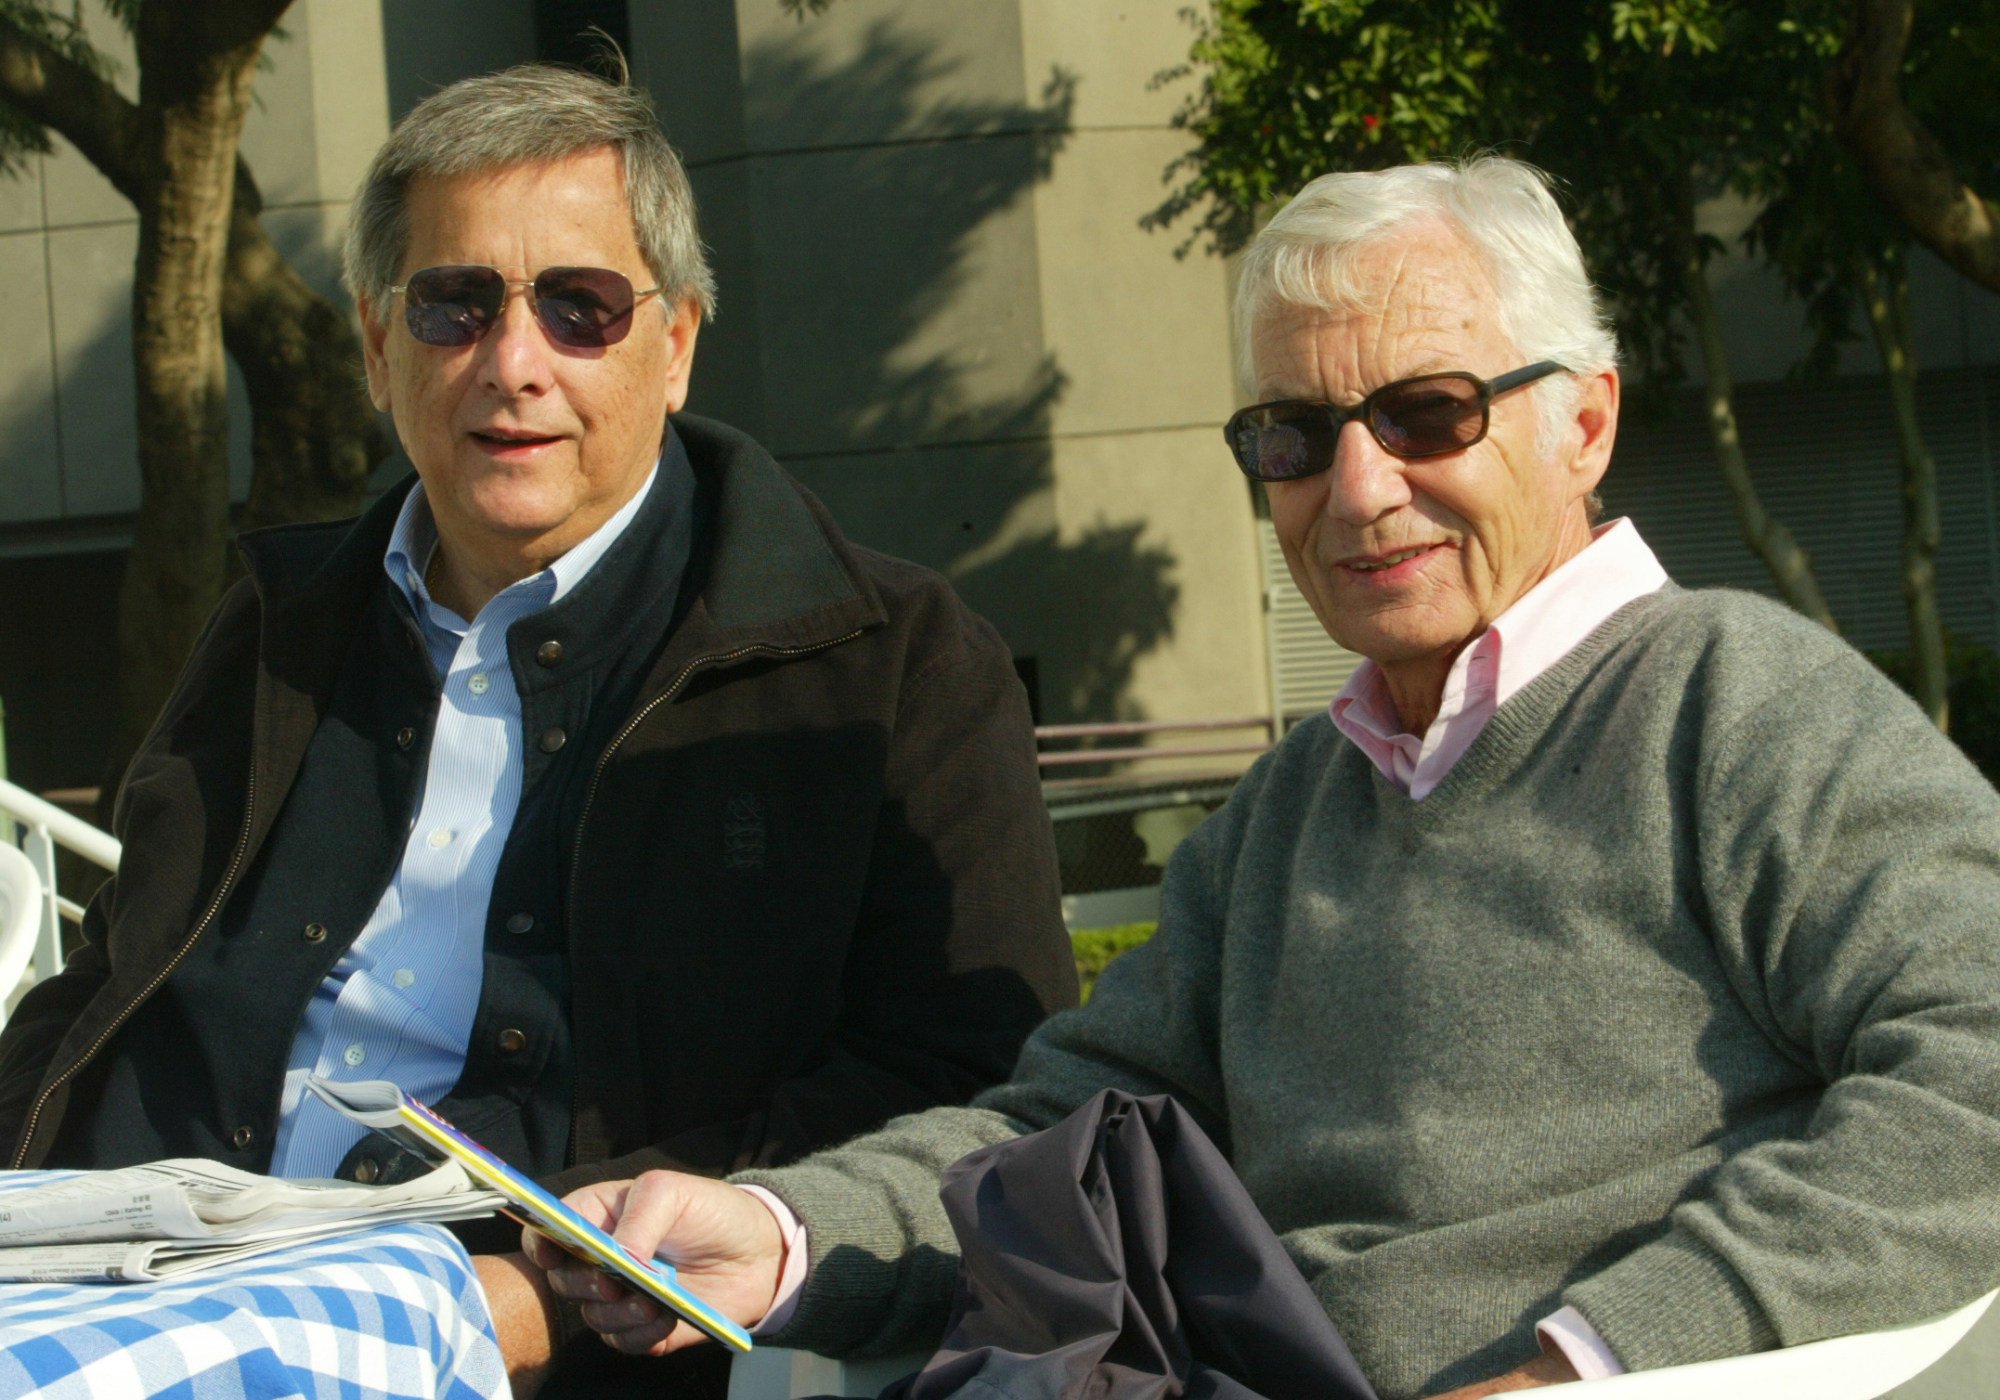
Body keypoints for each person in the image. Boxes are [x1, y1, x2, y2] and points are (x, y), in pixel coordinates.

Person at [529, 157, 2000, 1400]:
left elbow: (1979, 1067)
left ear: (1587, 422)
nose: (1358, 490)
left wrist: (1586, 1363)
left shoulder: (1741, 706)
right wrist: (778, 1230)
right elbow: (1056, 1152)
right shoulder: (1293, 808)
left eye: (1430, 414)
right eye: (1295, 435)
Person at [0, 64, 1076, 1398]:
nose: (515, 365)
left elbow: (975, 1090)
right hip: (109, 1268)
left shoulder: (882, 669)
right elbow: (107, 982)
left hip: (501, 1321)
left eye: (582, 308)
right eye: (457, 306)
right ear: (377, 344)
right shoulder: (275, 629)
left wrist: (567, 1282)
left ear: (676, 342)